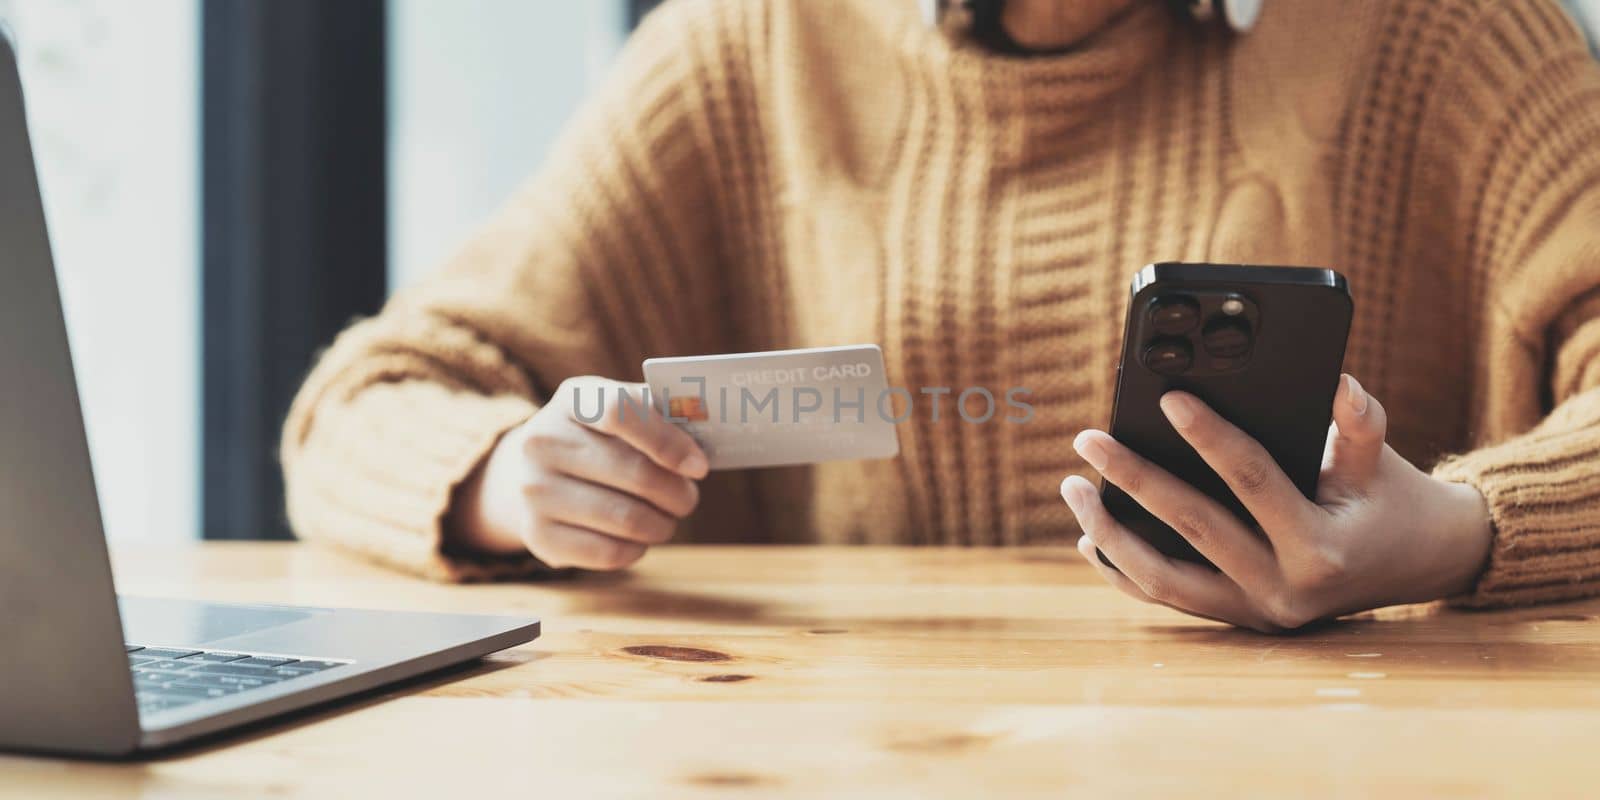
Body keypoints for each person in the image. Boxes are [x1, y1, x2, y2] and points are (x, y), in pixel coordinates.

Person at [282, 0, 1600, 631]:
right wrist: (508, 482)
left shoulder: (1447, 31)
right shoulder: (753, 43)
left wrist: (1463, 533)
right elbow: (367, 401)